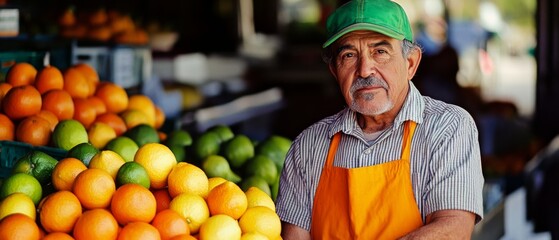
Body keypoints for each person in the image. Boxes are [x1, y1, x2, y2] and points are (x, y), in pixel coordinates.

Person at [275, 0, 485, 239]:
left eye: (380, 52)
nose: (365, 70)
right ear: (335, 70)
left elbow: (453, 228)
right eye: (349, 54)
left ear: (410, 63)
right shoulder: (308, 146)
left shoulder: (447, 128)